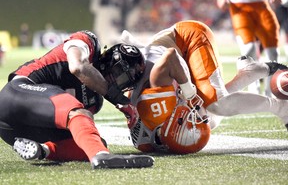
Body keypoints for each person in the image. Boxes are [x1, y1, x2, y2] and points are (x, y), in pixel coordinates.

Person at [118, 20, 288, 154]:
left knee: (217, 104)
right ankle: (250, 73)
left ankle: (281, 108)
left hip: (188, 39)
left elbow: (171, 57)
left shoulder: (156, 84)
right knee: (209, 119)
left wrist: (190, 94)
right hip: (174, 61)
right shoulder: (146, 134)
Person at [0, 30, 154, 169]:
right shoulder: (88, 42)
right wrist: (118, 99)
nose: (117, 82)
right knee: (77, 113)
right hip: (16, 95)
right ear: (110, 59)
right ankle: (101, 156)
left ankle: (43, 150)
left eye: (123, 81)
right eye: (118, 72)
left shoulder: (95, 102)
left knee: (92, 142)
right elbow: (78, 68)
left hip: (19, 131)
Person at [213, 0, 287, 96]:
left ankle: (271, 91)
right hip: (239, 8)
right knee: (248, 50)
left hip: (262, 6)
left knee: (273, 52)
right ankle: (254, 91)